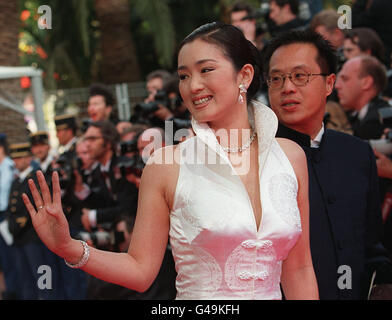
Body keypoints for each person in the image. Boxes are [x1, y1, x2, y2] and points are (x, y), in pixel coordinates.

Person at [23, 22, 317, 300]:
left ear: (245, 76)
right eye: (184, 76)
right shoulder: (166, 165)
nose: (193, 86)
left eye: (206, 70)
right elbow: (140, 271)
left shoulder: (290, 157)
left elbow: (299, 269)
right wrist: (69, 247)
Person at [262, 29, 392, 299]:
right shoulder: (257, 158)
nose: (287, 87)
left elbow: (371, 246)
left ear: (329, 83)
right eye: (276, 78)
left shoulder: (357, 154)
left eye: (300, 76)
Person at [335, 55, 389, 140]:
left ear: (366, 83)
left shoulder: (377, 123)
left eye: (345, 79)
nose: (337, 86)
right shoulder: (358, 117)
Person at [0, 134, 18, 299]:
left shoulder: (9, 166)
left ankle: (14, 292)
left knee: (11, 256)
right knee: (3, 259)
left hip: (7, 215)